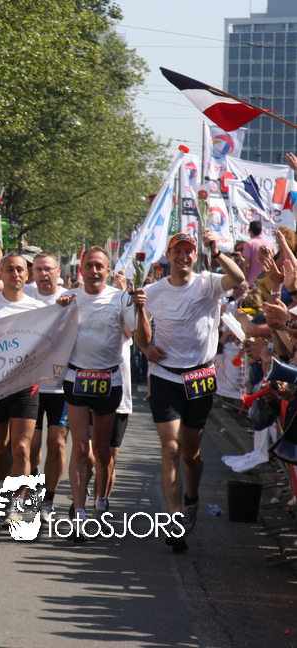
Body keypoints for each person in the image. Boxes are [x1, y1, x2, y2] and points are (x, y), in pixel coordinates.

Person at [132, 230, 245, 553]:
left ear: (195, 256)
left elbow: (238, 278)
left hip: (199, 377)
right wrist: (145, 347)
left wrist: (217, 251)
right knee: (170, 448)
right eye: (177, 251)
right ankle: (175, 519)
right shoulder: (153, 291)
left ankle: (191, 499)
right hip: (165, 377)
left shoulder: (208, 283)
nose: (183, 256)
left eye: (188, 252)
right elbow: (139, 333)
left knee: (190, 454)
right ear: (168, 256)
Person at [56, 247, 134, 538]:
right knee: (79, 448)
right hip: (77, 378)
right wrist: (59, 309)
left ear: (108, 270)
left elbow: (137, 334)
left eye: (99, 266)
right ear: (81, 269)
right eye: (89, 265)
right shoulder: (69, 297)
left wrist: (138, 308)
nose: (94, 271)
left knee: (102, 451)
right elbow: (49, 332)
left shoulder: (121, 298)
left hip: (108, 381)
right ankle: (79, 514)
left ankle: (101, 502)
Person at [0, 253, 44, 526]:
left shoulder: (38, 308)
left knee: (22, 448)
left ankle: (18, 506)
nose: (15, 274)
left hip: (26, 386)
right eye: (9, 269)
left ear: (27, 275)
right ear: (1, 274)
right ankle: (6, 489)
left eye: (19, 270)